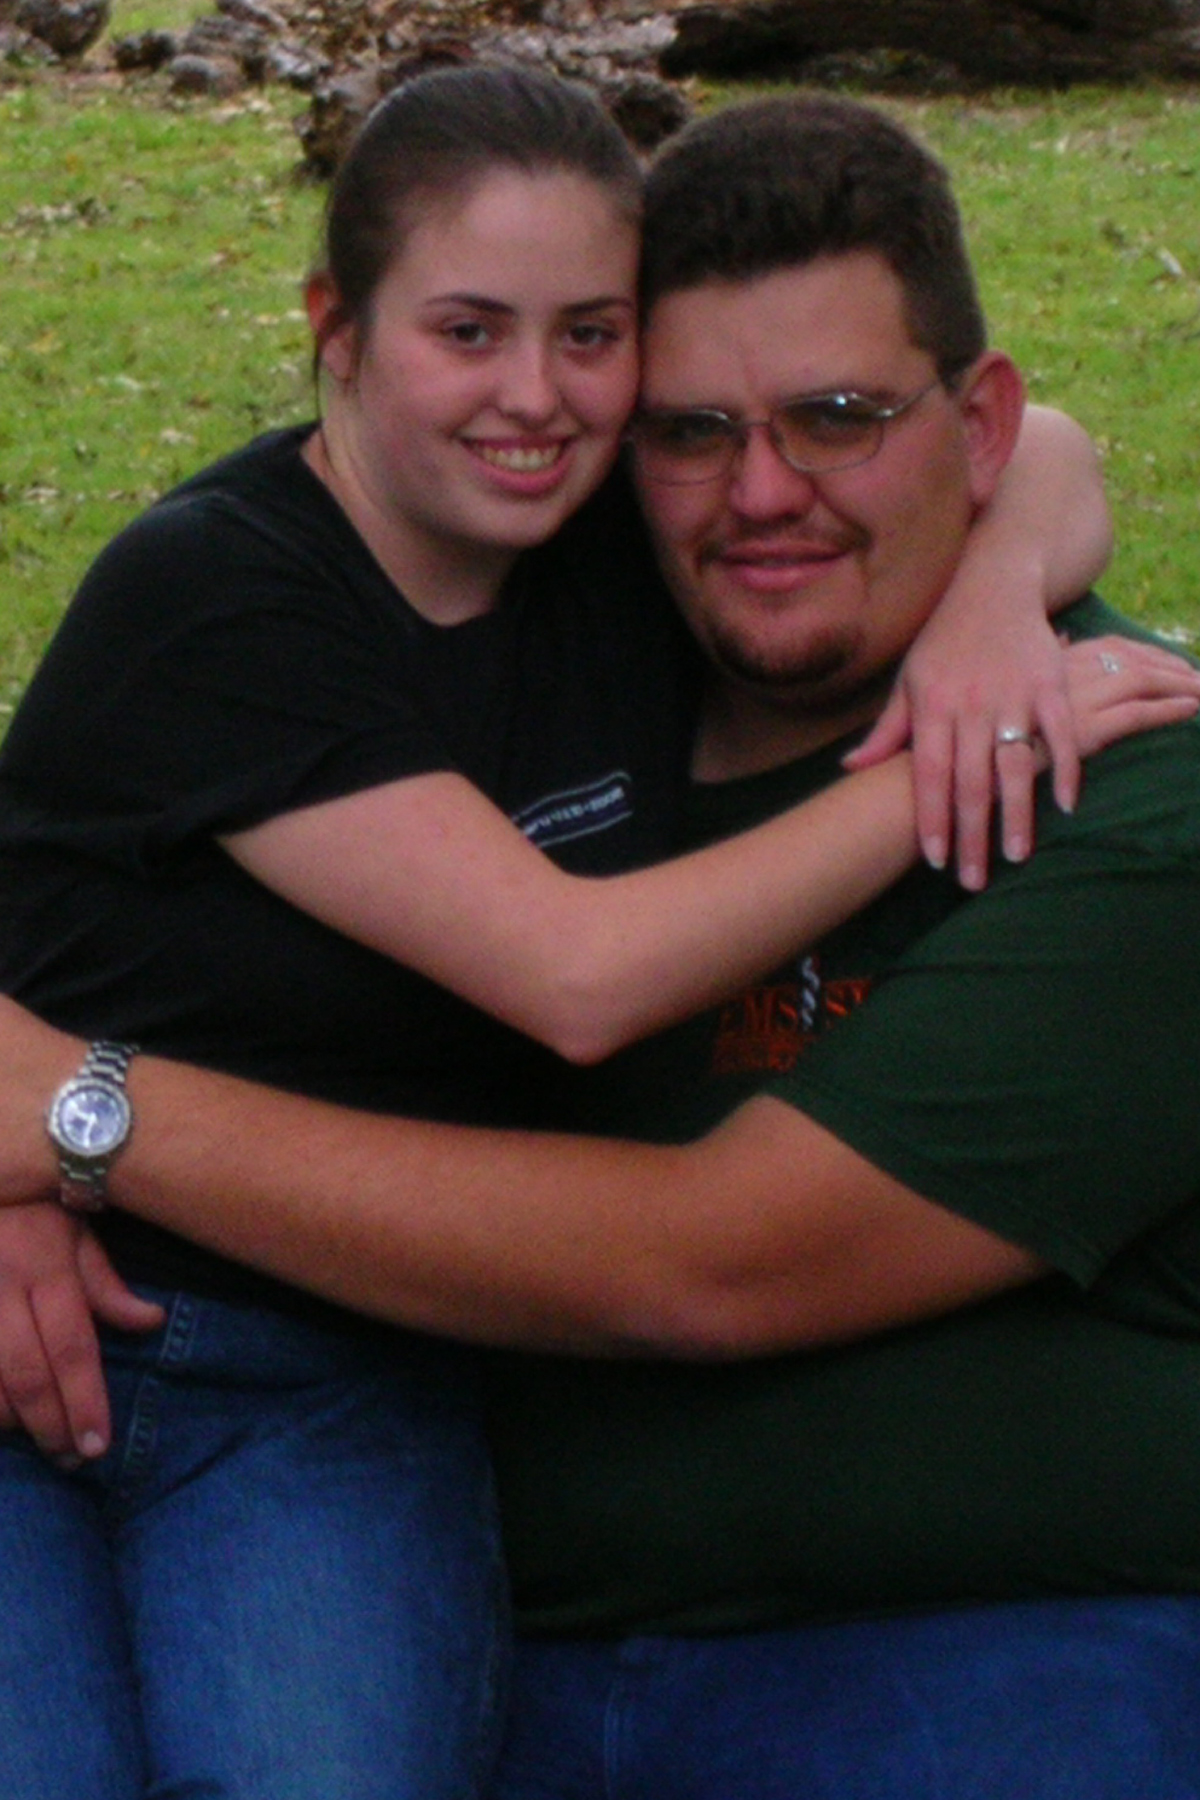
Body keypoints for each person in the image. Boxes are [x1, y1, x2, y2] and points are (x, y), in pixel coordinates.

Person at [2, 90, 1200, 1796]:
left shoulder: (1131, 800)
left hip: (989, 1653)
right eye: (693, 430)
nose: (763, 492)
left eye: (840, 419)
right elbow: (536, 966)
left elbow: (712, 1260)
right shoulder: (439, 601)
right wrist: (30, 1154)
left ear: (973, 424)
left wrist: (81, 1116)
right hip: (392, 1553)